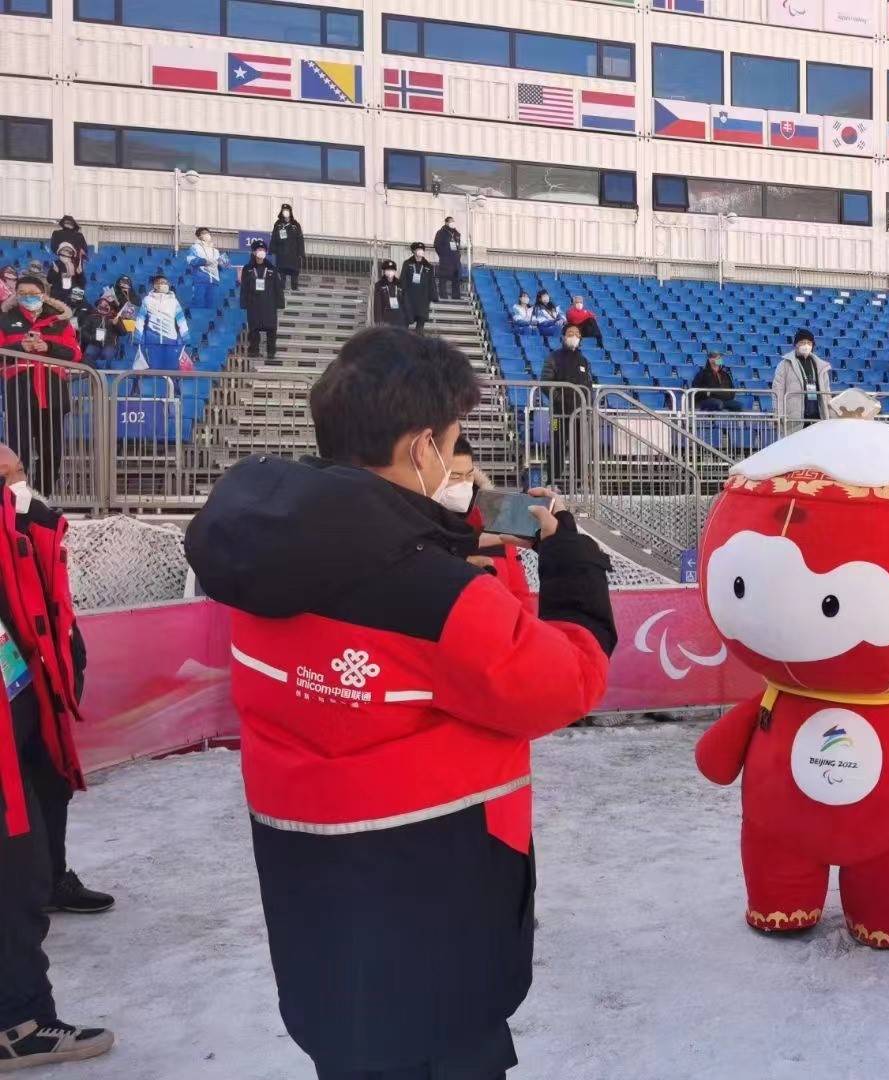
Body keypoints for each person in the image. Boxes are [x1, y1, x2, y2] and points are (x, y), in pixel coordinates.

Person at [184, 326, 615, 1080]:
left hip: (316, 910)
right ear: (421, 450)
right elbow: (566, 679)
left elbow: (413, 523)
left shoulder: (271, 548)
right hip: (433, 924)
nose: (459, 471)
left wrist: (508, 518)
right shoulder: (434, 594)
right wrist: (572, 557)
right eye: (451, 447)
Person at [0, 443, 115, 1072]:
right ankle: (17, 1021)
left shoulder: (21, 512)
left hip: (23, 696)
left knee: (33, 841)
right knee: (12, 863)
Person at [0, 278, 78, 495]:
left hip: (52, 395)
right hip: (19, 394)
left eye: (32, 292)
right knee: (18, 453)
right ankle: (18, 501)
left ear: (44, 294)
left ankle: (43, 498)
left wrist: (48, 346)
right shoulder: (4, 319)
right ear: (15, 295)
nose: (27, 296)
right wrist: (18, 347)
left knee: (51, 453)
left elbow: (75, 353)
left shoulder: (60, 321)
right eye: (22, 292)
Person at [449, 437, 530, 604]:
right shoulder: (419, 520)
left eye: (469, 475)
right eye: (455, 476)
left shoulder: (492, 512)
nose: (464, 483)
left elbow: (520, 594)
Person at [539, 323, 596, 484]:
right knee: (556, 446)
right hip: (558, 414)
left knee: (579, 448)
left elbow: (588, 385)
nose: (574, 336)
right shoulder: (553, 357)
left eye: (577, 334)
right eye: (570, 333)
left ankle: (580, 481)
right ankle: (553, 481)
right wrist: (560, 399)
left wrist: (588, 405)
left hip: (580, 414)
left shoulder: (584, 361)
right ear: (564, 336)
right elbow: (545, 382)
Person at [772, 328, 831, 426]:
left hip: (817, 418)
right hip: (794, 419)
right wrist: (778, 414)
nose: (806, 345)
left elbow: (827, 394)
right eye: (802, 342)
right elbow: (778, 391)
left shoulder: (821, 366)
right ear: (796, 344)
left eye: (809, 343)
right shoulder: (784, 365)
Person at [133, 274, 190, 371]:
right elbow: (140, 319)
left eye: (164, 283)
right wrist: (137, 335)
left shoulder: (174, 301)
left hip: (171, 341)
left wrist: (185, 335)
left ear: (168, 285)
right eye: (158, 283)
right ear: (154, 285)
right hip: (152, 341)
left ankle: (173, 386)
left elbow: (181, 320)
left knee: (171, 370)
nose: (161, 285)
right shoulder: (147, 300)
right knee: (155, 370)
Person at [240, 240, 283, 361]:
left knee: (271, 329)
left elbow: (277, 286)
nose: (261, 252)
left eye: (263, 250)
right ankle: (254, 351)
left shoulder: (271, 268)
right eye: (259, 250)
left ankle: (271, 352)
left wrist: (280, 302)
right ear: (254, 252)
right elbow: (244, 287)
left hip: (269, 303)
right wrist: (243, 302)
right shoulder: (247, 269)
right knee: (254, 328)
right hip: (253, 303)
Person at [185, 228, 229, 311]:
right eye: (204, 233)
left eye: (208, 233)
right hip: (200, 280)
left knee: (212, 307)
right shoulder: (194, 247)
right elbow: (190, 260)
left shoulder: (215, 250)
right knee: (199, 305)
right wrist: (204, 261)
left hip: (214, 281)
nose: (207, 234)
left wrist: (225, 261)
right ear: (199, 236)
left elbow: (224, 264)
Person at [401, 243, 438, 333]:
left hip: (423, 298)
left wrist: (434, 296)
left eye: (422, 249)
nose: (421, 251)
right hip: (409, 297)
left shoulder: (428, 266)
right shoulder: (407, 263)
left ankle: (417, 343)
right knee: (404, 323)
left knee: (420, 327)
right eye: (418, 249)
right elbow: (403, 278)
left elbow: (431, 282)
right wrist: (401, 292)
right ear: (414, 251)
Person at [67, 287, 107, 369]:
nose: (74, 297)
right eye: (73, 295)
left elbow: (92, 321)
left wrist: (81, 326)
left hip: (82, 332)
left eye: (76, 295)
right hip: (69, 330)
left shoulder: (87, 307)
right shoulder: (67, 304)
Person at [269, 204, 304, 293]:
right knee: (281, 270)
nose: (286, 212)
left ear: (290, 212)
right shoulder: (278, 224)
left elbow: (300, 239)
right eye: (284, 210)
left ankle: (294, 287)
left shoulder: (295, 225)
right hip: (281, 252)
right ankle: (282, 286)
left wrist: (301, 253)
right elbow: (273, 238)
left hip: (293, 253)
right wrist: (272, 250)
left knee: (294, 270)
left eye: (287, 210)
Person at [434, 216, 463, 301]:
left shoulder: (457, 233)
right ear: (446, 222)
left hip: (455, 260)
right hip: (445, 259)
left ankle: (456, 296)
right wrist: (443, 255)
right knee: (443, 278)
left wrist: (458, 255)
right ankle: (443, 296)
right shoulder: (441, 232)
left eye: (453, 221)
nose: (452, 223)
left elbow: (458, 246)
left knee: (456, 278)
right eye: (451, 221)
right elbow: (436, 245)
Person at [372, 261, 408, 327]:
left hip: (399, 318)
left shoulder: (400, 284)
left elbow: (405, 301)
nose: (390, 272)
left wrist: (406, 317)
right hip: (385, 318)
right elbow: (377, 304)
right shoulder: (379, 285)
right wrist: (378, 320)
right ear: (384, 271)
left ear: (394, 271)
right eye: (388, 270)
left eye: (392, 270)